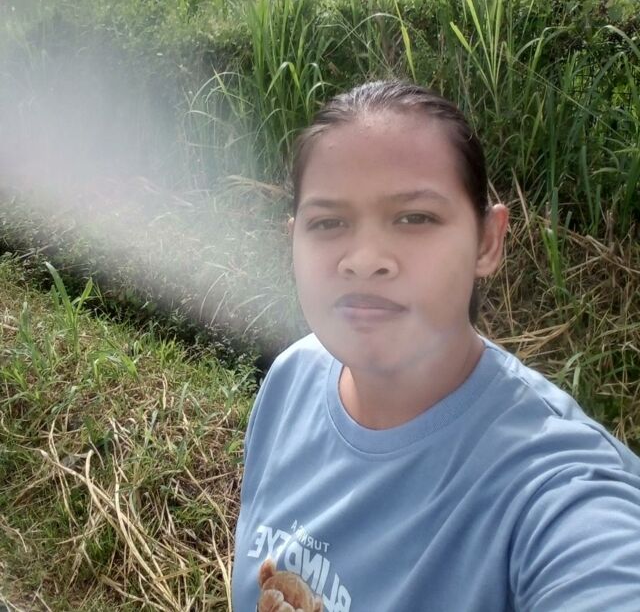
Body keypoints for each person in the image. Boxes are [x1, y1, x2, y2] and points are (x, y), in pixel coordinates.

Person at [232, 80, 640, 612]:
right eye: (328, 222)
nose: (364, 260)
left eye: (415, 218)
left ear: (487, 241)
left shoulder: (553, 484)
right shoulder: (291, 379)